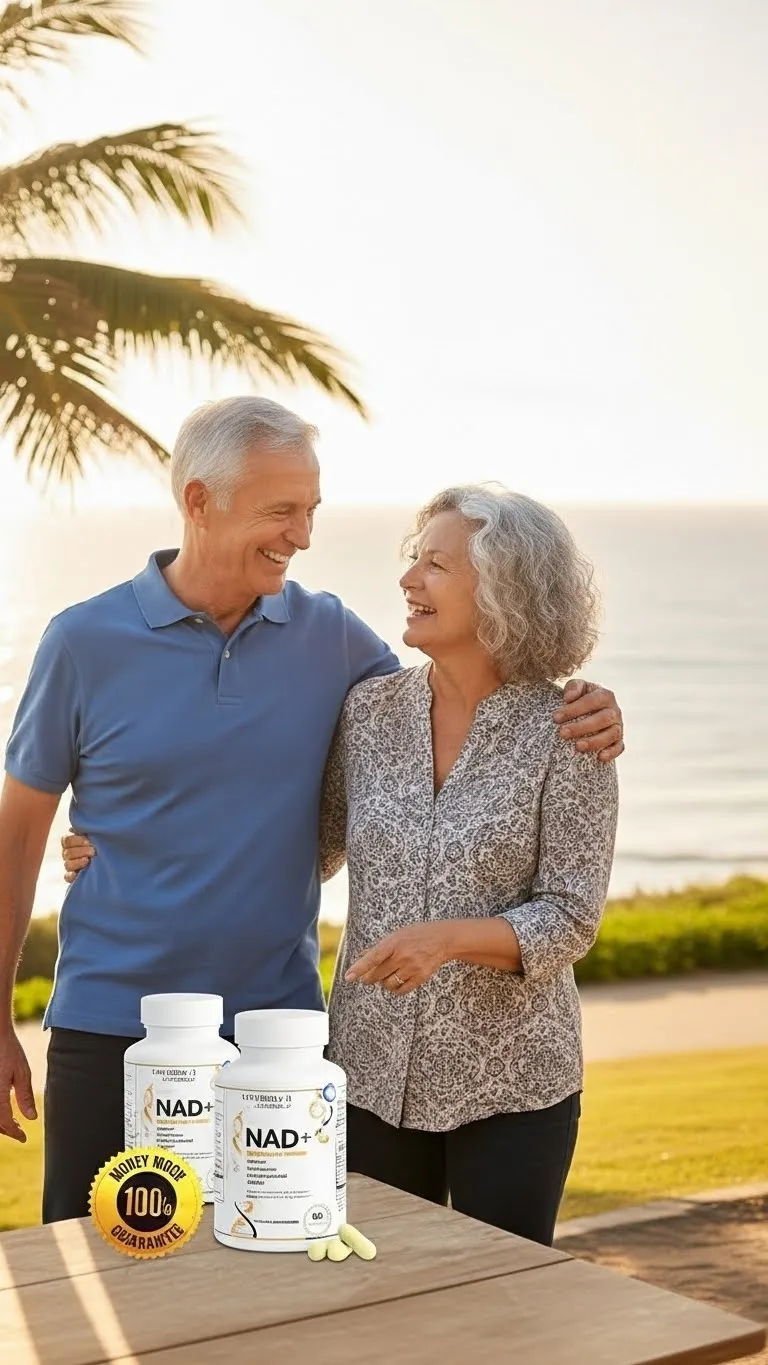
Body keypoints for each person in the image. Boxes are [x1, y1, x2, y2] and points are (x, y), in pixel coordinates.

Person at [1, 396, 623, 1225]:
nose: (302, 534)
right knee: (103, 1267)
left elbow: (473, 704)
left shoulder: (336, 642)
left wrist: (598, 706)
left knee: (277, 1289)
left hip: (281, 1038)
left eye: (311, 511)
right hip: (120, 1023)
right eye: (281, 510)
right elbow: (20, 834)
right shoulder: (86, 641)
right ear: (199, 500)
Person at [316, 486, 619, 1245]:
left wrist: (446, 937)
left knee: (503, 1313)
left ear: (506, 592)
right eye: (414, 560)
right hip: (370, 1068)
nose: (409, 579)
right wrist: (123, 839)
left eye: (437, 564)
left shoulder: (569, 733)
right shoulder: (367, 713)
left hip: (513, 1081)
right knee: (378, 1301)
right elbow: (308, 848)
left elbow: (571, 914)